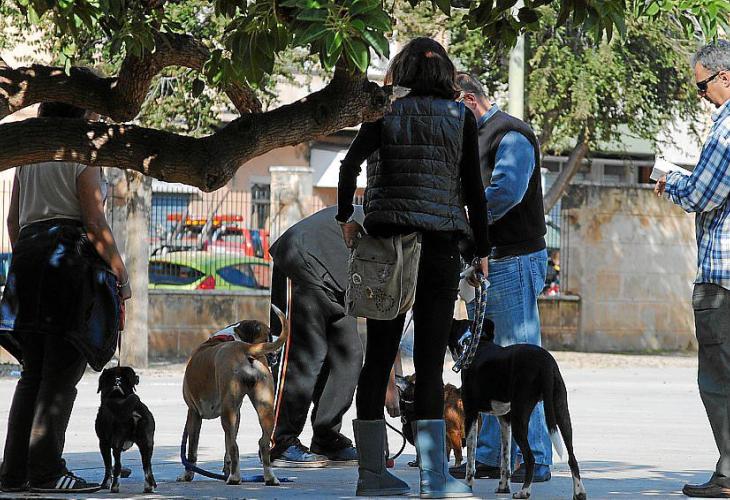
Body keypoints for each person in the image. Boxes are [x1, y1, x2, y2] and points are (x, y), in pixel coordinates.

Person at [338, 37, 491, 498]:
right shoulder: (461, 118)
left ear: (401, 71)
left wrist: (346, 218)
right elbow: (474, 191)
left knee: (378, 360)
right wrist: (482, 249)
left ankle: (371, 475)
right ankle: (434, 480)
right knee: (428, 363)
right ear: (445, 74)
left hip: (387, 249)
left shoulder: (383, 112)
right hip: (440, 249)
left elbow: (348, 166)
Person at [0, 102, 131, 494]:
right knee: (61, 373)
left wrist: (30, 260)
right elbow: (94, 222)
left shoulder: (30, 153)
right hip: (67, 262)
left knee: (33, 372)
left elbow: (12, 221)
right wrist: (121, 274)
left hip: (27, 258)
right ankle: (45, 472)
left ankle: (13, 472)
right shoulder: (81, 153)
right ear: (82, 115)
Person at [449, 73, 553, 483]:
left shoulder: (510, 135)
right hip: (490, 260)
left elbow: (506, 192)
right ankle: (493, 456)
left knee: (520, 362)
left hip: (513, 259)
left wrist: (463, 220)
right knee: (489, 363)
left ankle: (534, 457)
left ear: (468, 100)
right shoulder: (474, 137)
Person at [654, 40, 730, 499]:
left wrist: (671, 183)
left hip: (723, 277)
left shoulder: (727, 128)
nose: (701, 96)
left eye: (703, 87)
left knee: (718, 378)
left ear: (725, 77)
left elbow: (704, 193)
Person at [268, 206, 364, 467]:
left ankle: (326, 437)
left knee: (350, 355)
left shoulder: (416, 247)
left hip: (339, 280)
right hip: (302, 258)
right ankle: (281, 442)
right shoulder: (406, 233)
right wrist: (389, 383)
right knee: (305, 355)